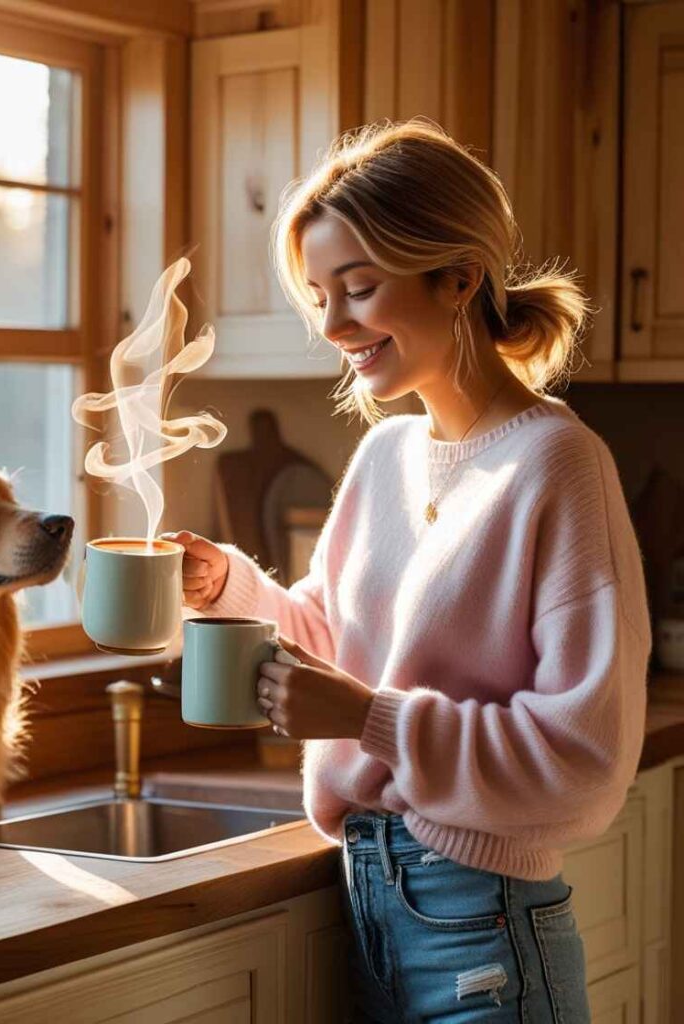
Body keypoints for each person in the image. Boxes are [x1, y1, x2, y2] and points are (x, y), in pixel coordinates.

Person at [162, 119, 650, 1022]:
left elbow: (587, 762)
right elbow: (337, 639)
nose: (332, 325)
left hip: (484, 930)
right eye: (318, 295)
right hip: (375, 899)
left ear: (459, 276)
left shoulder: (557, 465)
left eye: (358, 288)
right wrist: (228, 587)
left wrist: (369, 720)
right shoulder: (385, 456)